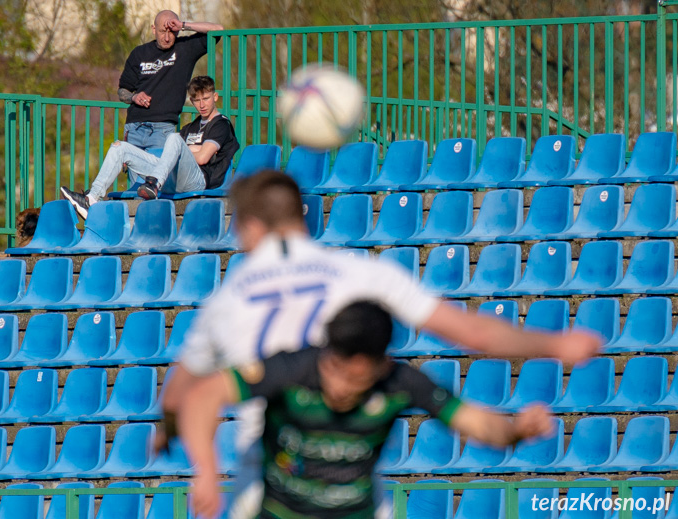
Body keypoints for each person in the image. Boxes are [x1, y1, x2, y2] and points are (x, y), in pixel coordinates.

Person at [160, 170, 602, 518]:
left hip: (265, 474)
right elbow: (475, 334)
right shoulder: (362, 274)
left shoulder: (229, 295)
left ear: (251, 227)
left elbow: (183, 392)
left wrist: (169, 436)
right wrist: (556, 345)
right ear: (302, 217)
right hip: (325, 485)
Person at [180, 300, 554, 519]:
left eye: (354, 378)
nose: (340, 387)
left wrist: (516, 431)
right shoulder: (292, 368)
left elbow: (476, 422)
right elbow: (203, 396)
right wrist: (207, 470)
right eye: (335, 371)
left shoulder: (401, 383)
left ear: (382, 364)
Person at [60, 76, 239, 217]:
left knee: (174, 138)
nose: (202, 104)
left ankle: (153, 184)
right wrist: (191, 149)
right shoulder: (191, 127)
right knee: (120, 147)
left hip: (199, 181)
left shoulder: (220, 124)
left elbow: (202, 158)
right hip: (172, 178)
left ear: (215, 97)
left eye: (206, 99)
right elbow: (185, 153)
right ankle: (91, 198)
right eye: (197, 100)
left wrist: (186, 149)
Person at [117, 9, 224, 150]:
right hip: (135, 126)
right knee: (133, 170)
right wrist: (134, 97)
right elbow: (122, 91)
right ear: (153, 29)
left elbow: (218, 30)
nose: (167, 38)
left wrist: (183, 25)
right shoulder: (139, 53)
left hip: (162, 129)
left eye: (172, 32)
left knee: (157, 171)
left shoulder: (185, 48)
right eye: (162, 31)